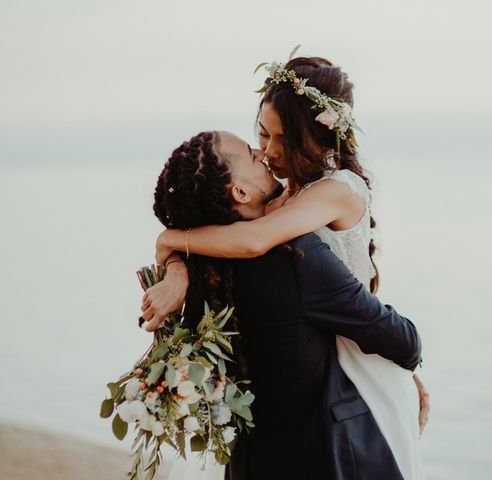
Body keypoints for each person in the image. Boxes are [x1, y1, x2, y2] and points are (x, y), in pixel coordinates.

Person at [143, 56, 428, 479]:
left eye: (283, 140)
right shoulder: (287, 243)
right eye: (260, 136)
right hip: (342, 361)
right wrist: (174, 258)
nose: (267, 151)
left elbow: (253, 239)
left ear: (315, 139)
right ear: (238, 190)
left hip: (356, 346)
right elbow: (257, 242)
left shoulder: (331, 192)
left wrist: (172, 245)